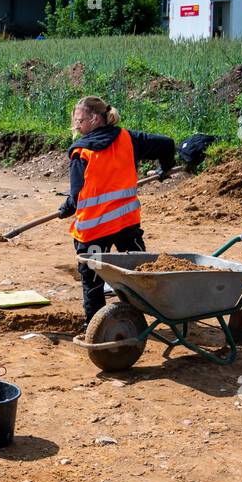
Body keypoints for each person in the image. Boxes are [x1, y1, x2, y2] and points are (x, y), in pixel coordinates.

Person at [58, 96, 176, 327]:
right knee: (136, 274)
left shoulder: (81, 152)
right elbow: (166, 144)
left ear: (95, 119)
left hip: (94, 232)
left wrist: (65, 208)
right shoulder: (128, 138)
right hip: (126, 225)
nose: (76, 127)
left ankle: (96, 328)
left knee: (92, 280)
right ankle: (138, 321)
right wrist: (166, 167)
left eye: (79, 121)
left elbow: (76, 198)